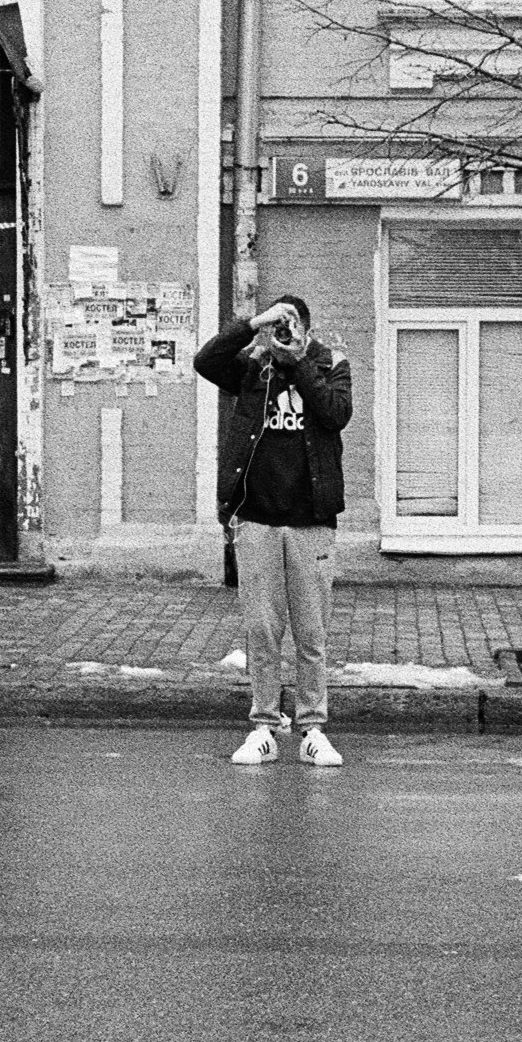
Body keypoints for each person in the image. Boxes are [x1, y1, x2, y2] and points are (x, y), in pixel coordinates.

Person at [194, 294, 351, 767]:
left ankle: (312, 729)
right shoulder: (250, 366)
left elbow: (334, 414)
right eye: (277, 323)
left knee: (311, 631)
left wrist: (300, 360)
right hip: (257, 515)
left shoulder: (330, 363)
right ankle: (263, 726)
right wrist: (253, 325)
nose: (284, 332)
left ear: (307, 327)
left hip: (310, 521)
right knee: (262, 630)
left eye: (292, 324)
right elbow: (206, 360)